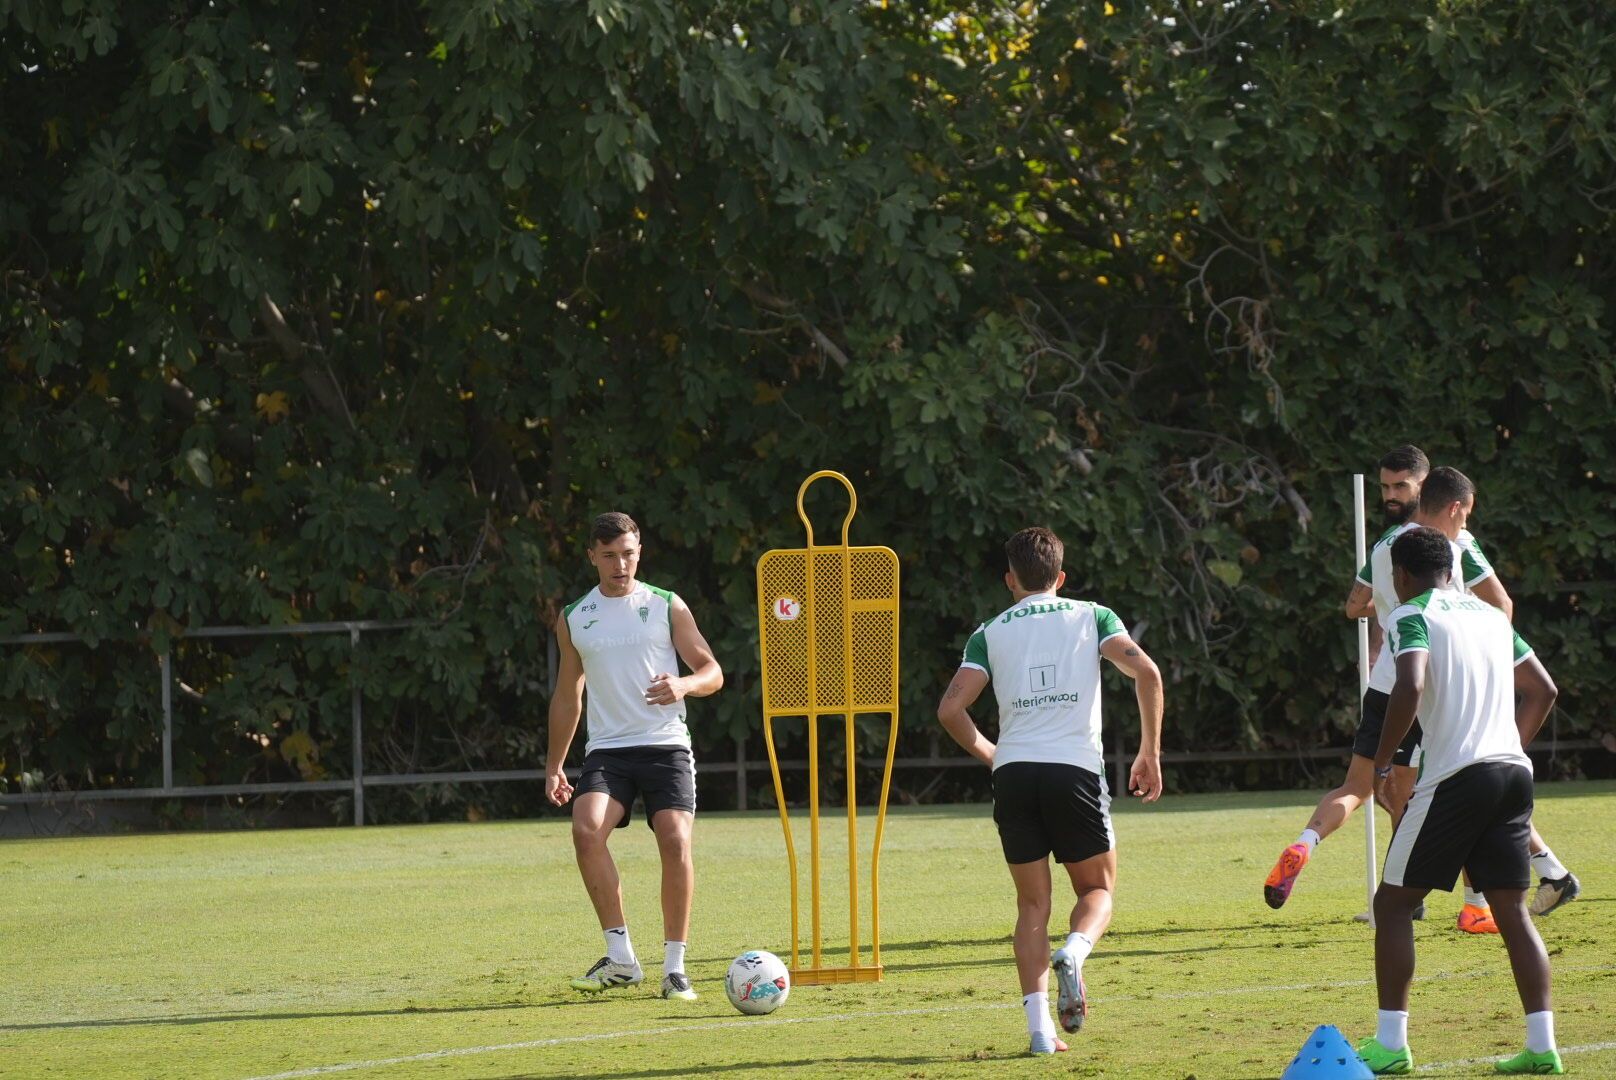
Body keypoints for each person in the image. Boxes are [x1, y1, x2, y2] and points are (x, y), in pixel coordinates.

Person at [1264, 461, 1548, 934]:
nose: (1392, 493)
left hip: (1384, 683)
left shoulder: (1383, 546)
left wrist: (1390, 610)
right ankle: (1480, 900)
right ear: (1452, 504)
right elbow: (1501, 605)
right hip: (1434, 685)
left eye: (1398, 485)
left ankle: (1306, 843)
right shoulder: (1454, 545)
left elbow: (1354, 605)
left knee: (1363, 789)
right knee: (1450, 787)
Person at [936, 527, 1164, 1055]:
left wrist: (993, 754)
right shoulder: (1093, 615)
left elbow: (950, 710)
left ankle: (1040, 1032)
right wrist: (1149, 753)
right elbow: (1146, 673)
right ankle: (1077, 952)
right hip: (1074, 770)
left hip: (1014, 774)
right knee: (1096, 891)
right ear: (1060, 578)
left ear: (1009, 580)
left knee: (1032, 905)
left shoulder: (988, 632)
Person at [1355, 527, 1562, 1075]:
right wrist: (1508, 747)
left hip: (1456, 775)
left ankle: (1390, 1045)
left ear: (1399, 576)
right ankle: (1542, 1048)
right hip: (1514, 773)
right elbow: (1543, 689)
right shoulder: (1493, 617)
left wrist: (1381, 762)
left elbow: (1411, 685)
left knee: (1393, 905)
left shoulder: (1409, 615)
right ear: (1451, 568)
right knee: (1512, 910)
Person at [545, 512, 724, 1001]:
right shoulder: (574, 617)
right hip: (609, 750)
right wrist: (555, 764)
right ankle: (621, 958)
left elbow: (712, 671)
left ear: (639, 551)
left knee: (674, 838)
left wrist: (682, 684)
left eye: (627, 553)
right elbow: (567, 696)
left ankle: (675, 968)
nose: (619, 564)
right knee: (585, 830)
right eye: (608, 556)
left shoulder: (666, 605)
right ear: (592, 557)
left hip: (665, 744)